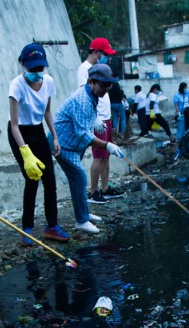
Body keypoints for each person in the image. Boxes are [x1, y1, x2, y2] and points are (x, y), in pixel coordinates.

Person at [8, 43, 68, 247]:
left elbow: (47, 112)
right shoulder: (16, 86)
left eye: (40, 69)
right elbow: (14, 125)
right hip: (20, 134)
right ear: (22, 64)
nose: (36, 73)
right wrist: (25, 152)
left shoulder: (48, 81)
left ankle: (52, 226)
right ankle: (27, 229)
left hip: (38, 131)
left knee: (49, 179)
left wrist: (55, 136)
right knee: (32, 179)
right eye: (32, 69)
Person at [53, 64, 124, 234]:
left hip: (74, 144)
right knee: (79, 177)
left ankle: (83, 213)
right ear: (91, 81)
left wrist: (95, 119)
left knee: (77, 180)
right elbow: (83, 135)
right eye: (103, 86)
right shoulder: (82, 99)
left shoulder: (91, 94)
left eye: (108, 86)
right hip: (63, 144)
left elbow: (85, 124)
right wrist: (107, 145)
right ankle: (81, 221)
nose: (105, 90)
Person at [76, 37, 124, 205]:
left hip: (106, 116)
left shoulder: (100, 68)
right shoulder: (85, 69)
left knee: (106, 155)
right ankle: (94, 192)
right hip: (97, 119)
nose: (105, 57)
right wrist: (95, 118)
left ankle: (105, 188)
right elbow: (85, 95)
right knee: (98, 156)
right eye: (104, 54)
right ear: (96, 52)